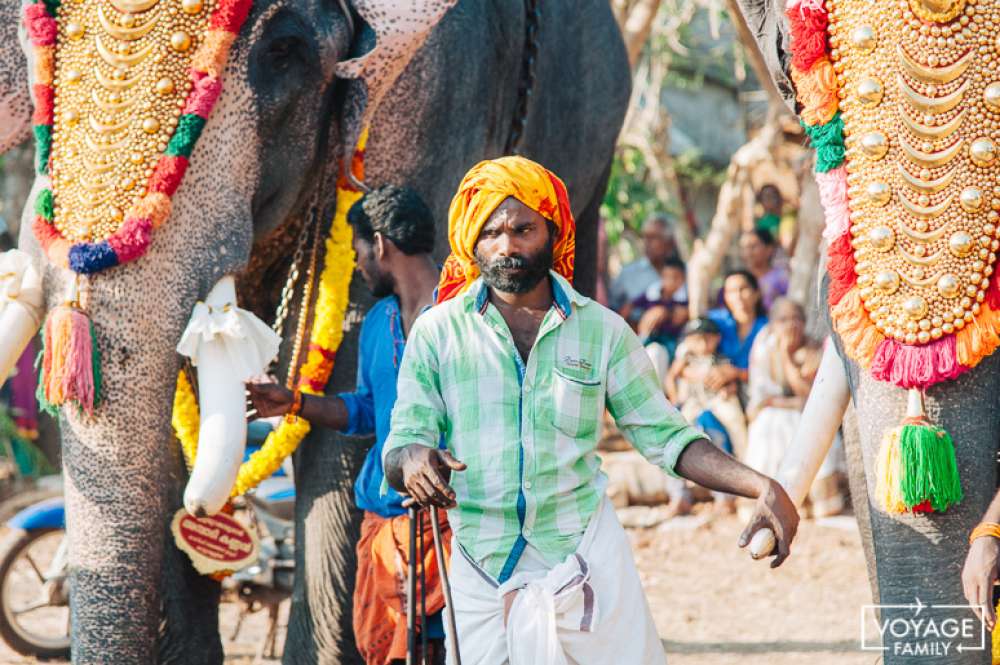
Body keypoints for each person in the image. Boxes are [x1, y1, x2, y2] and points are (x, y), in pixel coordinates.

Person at [382, 156, 798, 664]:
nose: (507, 245)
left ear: (552, 233)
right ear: (472, 240)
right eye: (490, 232)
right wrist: (414, 460)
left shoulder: (602, 331)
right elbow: (402, 441)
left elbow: (666, 437)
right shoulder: (438, 332)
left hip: (584, 561)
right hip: (481, 569)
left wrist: (761, 485)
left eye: (522, 229)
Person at [246, 186, 450, 665]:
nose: (359, 263)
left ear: (380, 245)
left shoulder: (464, 310)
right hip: (385, 519)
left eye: (359, 249)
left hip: (451, 529)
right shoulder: (380, 320)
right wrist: (294, 402)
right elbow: (363, 410)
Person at [743, 298, 844, 517]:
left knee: (804, 422)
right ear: (773, 324)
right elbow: (762, 396)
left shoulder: (814, 349)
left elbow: (809, 395)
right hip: (775, 412)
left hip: (805, 411)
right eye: (783, 320)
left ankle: (813, 500)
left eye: (796, 318)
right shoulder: (764, 348)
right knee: (772, 422)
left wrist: (787, 356)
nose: (791, 325)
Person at [662, 317, 743, 517]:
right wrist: (674, 399)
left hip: (716, 404)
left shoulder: (721, 362)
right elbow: (671, 378)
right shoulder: (685, 361)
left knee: (732, 431)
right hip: (691, 405)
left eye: (707, 338)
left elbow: (732, 384)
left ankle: (727, 495)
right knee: (674, 440)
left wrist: (729, 387)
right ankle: (678, 496)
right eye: (697, 339)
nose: (702, 344)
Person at [623, 257, 689, 382]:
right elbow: (630, 306)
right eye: (666, 277)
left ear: (682, 279)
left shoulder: (684, 299)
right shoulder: (653, 292)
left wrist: (665, 313)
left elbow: (679, 317)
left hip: (670, 340)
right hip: (647, 335)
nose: (669, 281)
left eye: (675, 278)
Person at [608, 213, 683, 317]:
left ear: (670, 242)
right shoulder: (628, 274)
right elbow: (612, 308)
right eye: (645, 237)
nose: (647, 243)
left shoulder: (685, 272)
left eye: (654, 238)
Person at [738, 229, 788, 310]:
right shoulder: (738, 279)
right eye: (743, 248)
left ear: (769, 249)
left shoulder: (781, 278)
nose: (747, 253)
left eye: (753, 247)